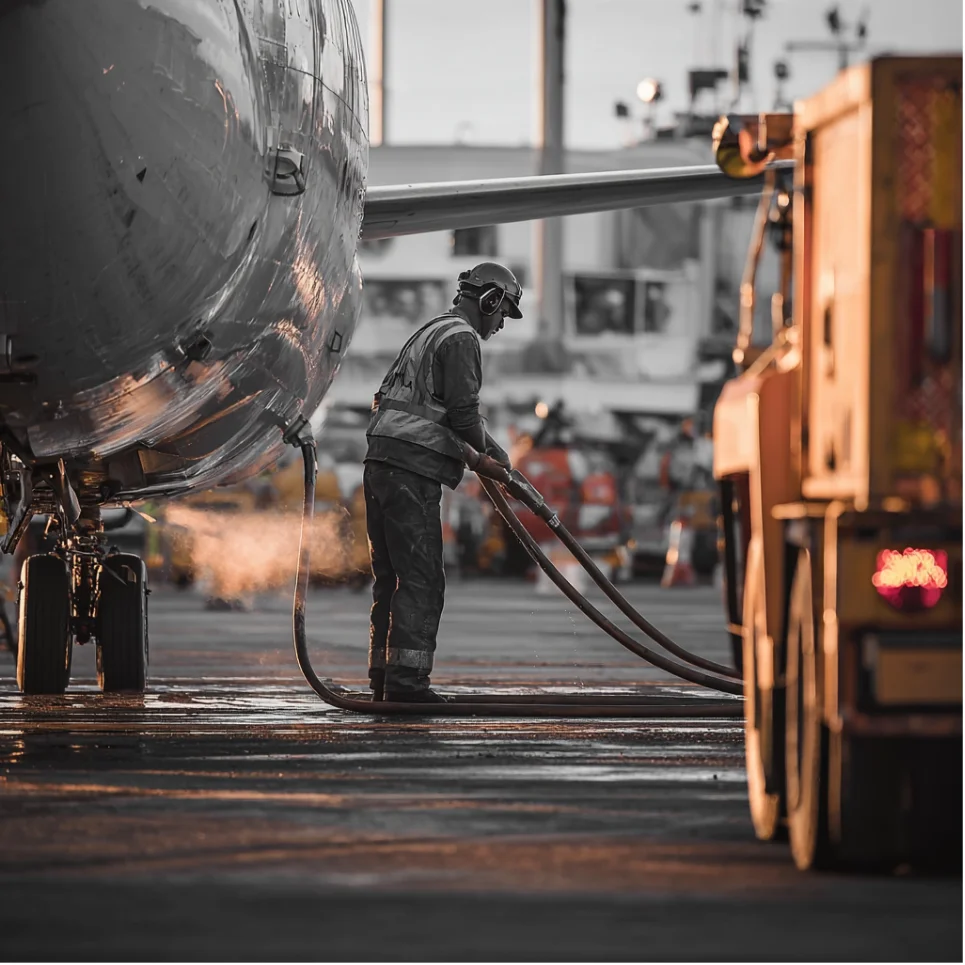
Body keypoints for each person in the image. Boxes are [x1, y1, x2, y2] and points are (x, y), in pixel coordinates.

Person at [363, 263, 522, 703]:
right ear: (489, 300)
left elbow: (424, 410)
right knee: (422, 579)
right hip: (410, 470)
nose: (501, 323)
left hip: (382, 463)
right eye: (503, 311)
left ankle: (384, 678)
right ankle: (408, 686)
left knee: (392, 578)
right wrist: (491, 455)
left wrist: (476, 456)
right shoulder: (460, 338)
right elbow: (463, 414)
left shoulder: (428, 331)